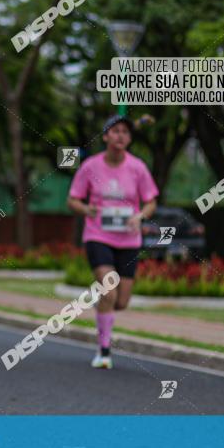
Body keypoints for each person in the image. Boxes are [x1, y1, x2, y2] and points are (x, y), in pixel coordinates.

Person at [67, 115, 158, 369]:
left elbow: (151, 201)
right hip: (99, 236)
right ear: (105, 136)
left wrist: (140, 216)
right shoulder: (90, 167)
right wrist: (87, 210)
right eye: (115, 131)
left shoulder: (138, 168)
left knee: (120, 301)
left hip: (129, 240)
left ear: (129, 139)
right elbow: (73, 199)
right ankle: (104, 351)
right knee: (109, 287)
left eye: (125, 133)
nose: (121, 136)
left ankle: (102, 305)